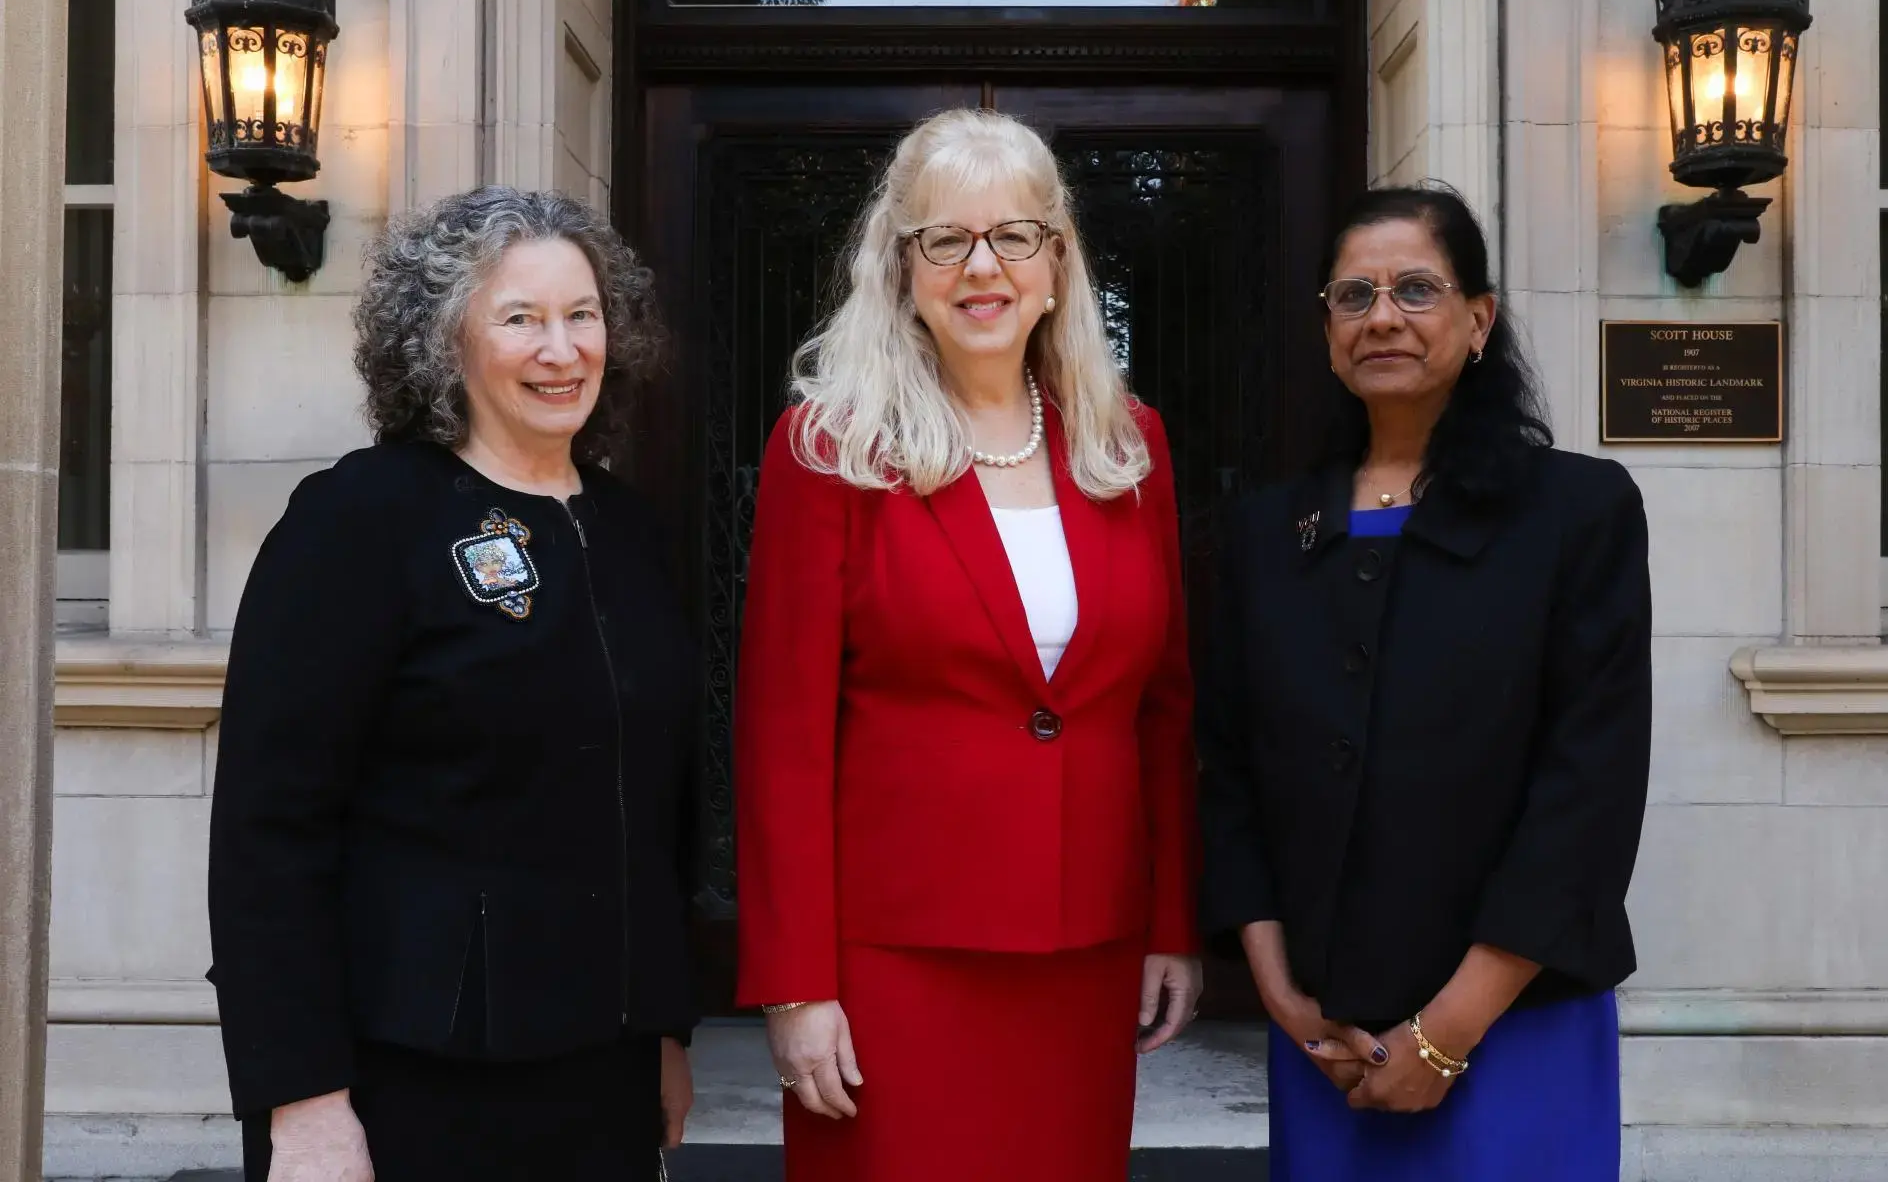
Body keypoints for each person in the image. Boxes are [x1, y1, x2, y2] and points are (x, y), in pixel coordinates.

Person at [733, 107, 1203, 1182]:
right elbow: (782, 738)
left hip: (1086, 955)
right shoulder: (832, 448)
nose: (981, 266)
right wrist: (796, 985)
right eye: (945, 239)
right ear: (902, 269)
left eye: (1014, 236)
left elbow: (1164, 708)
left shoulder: (1130, 447)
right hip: (895, 961)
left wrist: (1172, 921)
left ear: (1057, 262)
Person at [207, 186, 698, 1182]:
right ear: (445, 340)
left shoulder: (633, 533)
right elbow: (269, 829)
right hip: (408, 1079)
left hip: (600, 1075)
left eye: (583, 315)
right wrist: (299, 1096)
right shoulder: (362, 517)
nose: (562, 350)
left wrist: (665, 1029)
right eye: (520, 319)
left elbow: (656, 811)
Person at [1200, 184, 1652, 1182]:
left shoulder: (1577, 513)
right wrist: (1281, 992)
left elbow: (1590, 787)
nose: (1383, 316)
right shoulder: (1268, 534)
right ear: (1327, 329)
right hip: (1325, 1031)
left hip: (1514, 1022)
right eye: (1353, 295)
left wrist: (1448, 1029)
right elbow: (1229, 769)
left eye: (1415, 288)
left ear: (1478, 317)